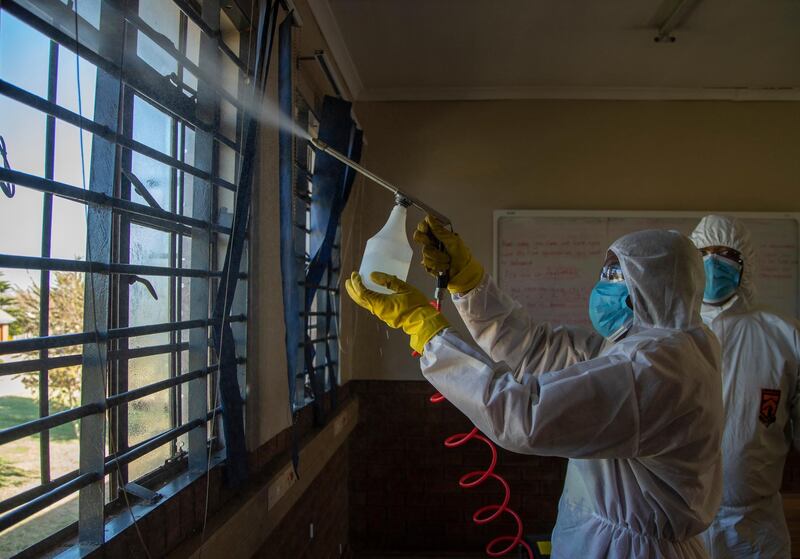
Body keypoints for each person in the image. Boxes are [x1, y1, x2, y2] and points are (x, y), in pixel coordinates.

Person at [346, 219, 723, 559]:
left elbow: (526, 416)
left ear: (650, 288)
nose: (601, 287)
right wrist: (469, 283)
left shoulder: (655, 369)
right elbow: (536, 349)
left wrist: (427, 332)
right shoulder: (656, 346)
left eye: (614, 276)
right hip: (614, 538)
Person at [690, 214, 800, 558]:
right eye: (703, 253)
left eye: (725, 254)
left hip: (756, 530)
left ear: (746, 263)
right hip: (682, 525)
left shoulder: (784, 336)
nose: (712, 263)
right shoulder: (670, 336)